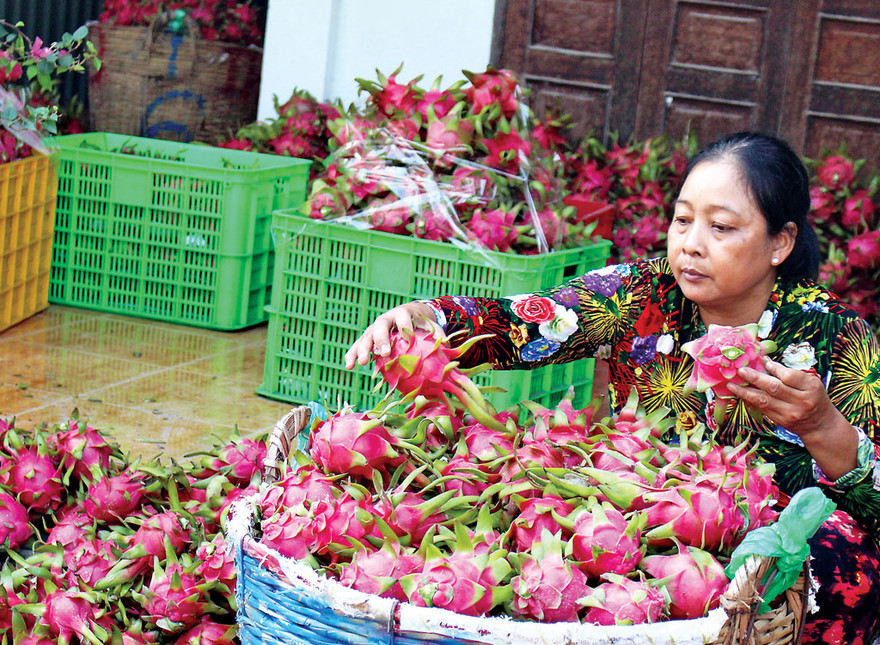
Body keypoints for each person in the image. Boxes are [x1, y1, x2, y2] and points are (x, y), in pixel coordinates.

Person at [344, 131, 880, 643]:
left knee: (837, 569)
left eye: (721, 228)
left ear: (779, 243)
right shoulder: (640, 293)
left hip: (776, 551)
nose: (690, 245)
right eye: (682, 220)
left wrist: (820, 426)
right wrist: (428, 319)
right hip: (641, 530)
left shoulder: (838, 337)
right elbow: (531, 322)